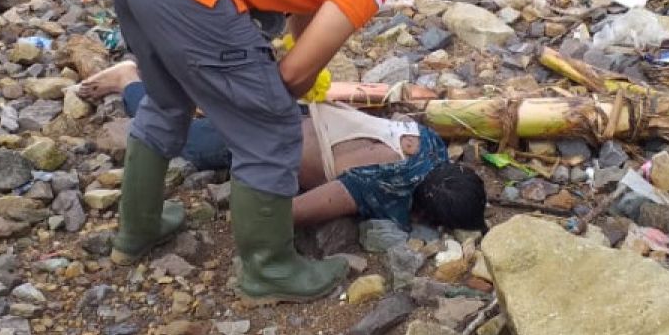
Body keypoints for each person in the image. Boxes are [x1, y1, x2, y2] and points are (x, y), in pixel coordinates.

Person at [106, 0, 464, 304]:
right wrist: (270, 99)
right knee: (272, 129)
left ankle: (137, 230)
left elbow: (307, 3)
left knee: (168, 99)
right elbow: (291, 76)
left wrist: (302, 57)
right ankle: (269, 268)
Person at [78, 60, 489, 232]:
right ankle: (128, 79)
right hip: (265, 142)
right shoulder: (384, 184)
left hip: (295, 110)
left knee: (212, 103)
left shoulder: (431, 143)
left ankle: (171, 80)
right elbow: (287, 214)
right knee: (180, 138)